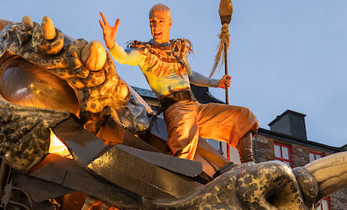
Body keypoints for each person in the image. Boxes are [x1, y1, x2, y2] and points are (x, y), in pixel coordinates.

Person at [99, 4, 259, 162]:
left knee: (243, 116)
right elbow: (125, 57)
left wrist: (217, 83)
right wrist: (112, 44)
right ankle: (174, 178)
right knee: (184, 154)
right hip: (176, 109)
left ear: (170, 22)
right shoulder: (145, 52)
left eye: (160, 21)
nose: (155, 26)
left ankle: (249, 164)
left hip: (196, 107)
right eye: (152, 22)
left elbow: (191, 75)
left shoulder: (177, 51)